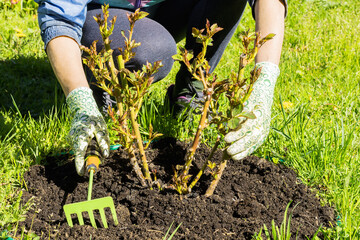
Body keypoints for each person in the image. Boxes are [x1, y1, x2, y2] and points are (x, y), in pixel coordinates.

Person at [35, 0, 287, 175]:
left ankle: (190, 95)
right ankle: (105, 89)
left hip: (165, 10)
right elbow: (59, 17)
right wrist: (80, 100)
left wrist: (264, 84)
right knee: (152, 52)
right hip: (100, 14)